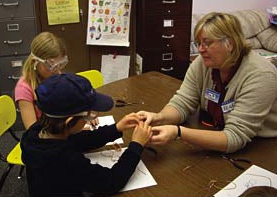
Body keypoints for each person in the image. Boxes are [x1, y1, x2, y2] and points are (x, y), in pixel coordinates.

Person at [137, 12, 277, 153]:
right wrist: (159, 117)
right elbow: (183, 102)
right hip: (217, 130)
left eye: (207, 43)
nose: (200, 50)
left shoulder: (261, 75)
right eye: (199, 43)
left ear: (230, 44)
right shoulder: (203, 63)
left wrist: (179, 132)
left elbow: (235, 137)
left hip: (262, 146)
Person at [20, 73, 152, 196]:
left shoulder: (36, 132)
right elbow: (111, 182)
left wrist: (116, 128)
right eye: (88, 115)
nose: (90, 118)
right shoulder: (66, 160)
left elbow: (78, 141)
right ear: (70, 121)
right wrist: (136, 146)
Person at [14, 31, 68, 129]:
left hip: (61, 131)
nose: (57, 71)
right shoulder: (24, 88)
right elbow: (32, 131)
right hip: (44, 137)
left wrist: (83, 116)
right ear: (35, 62)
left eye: (60, 64)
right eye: (52, 66)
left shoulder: (56, 76)